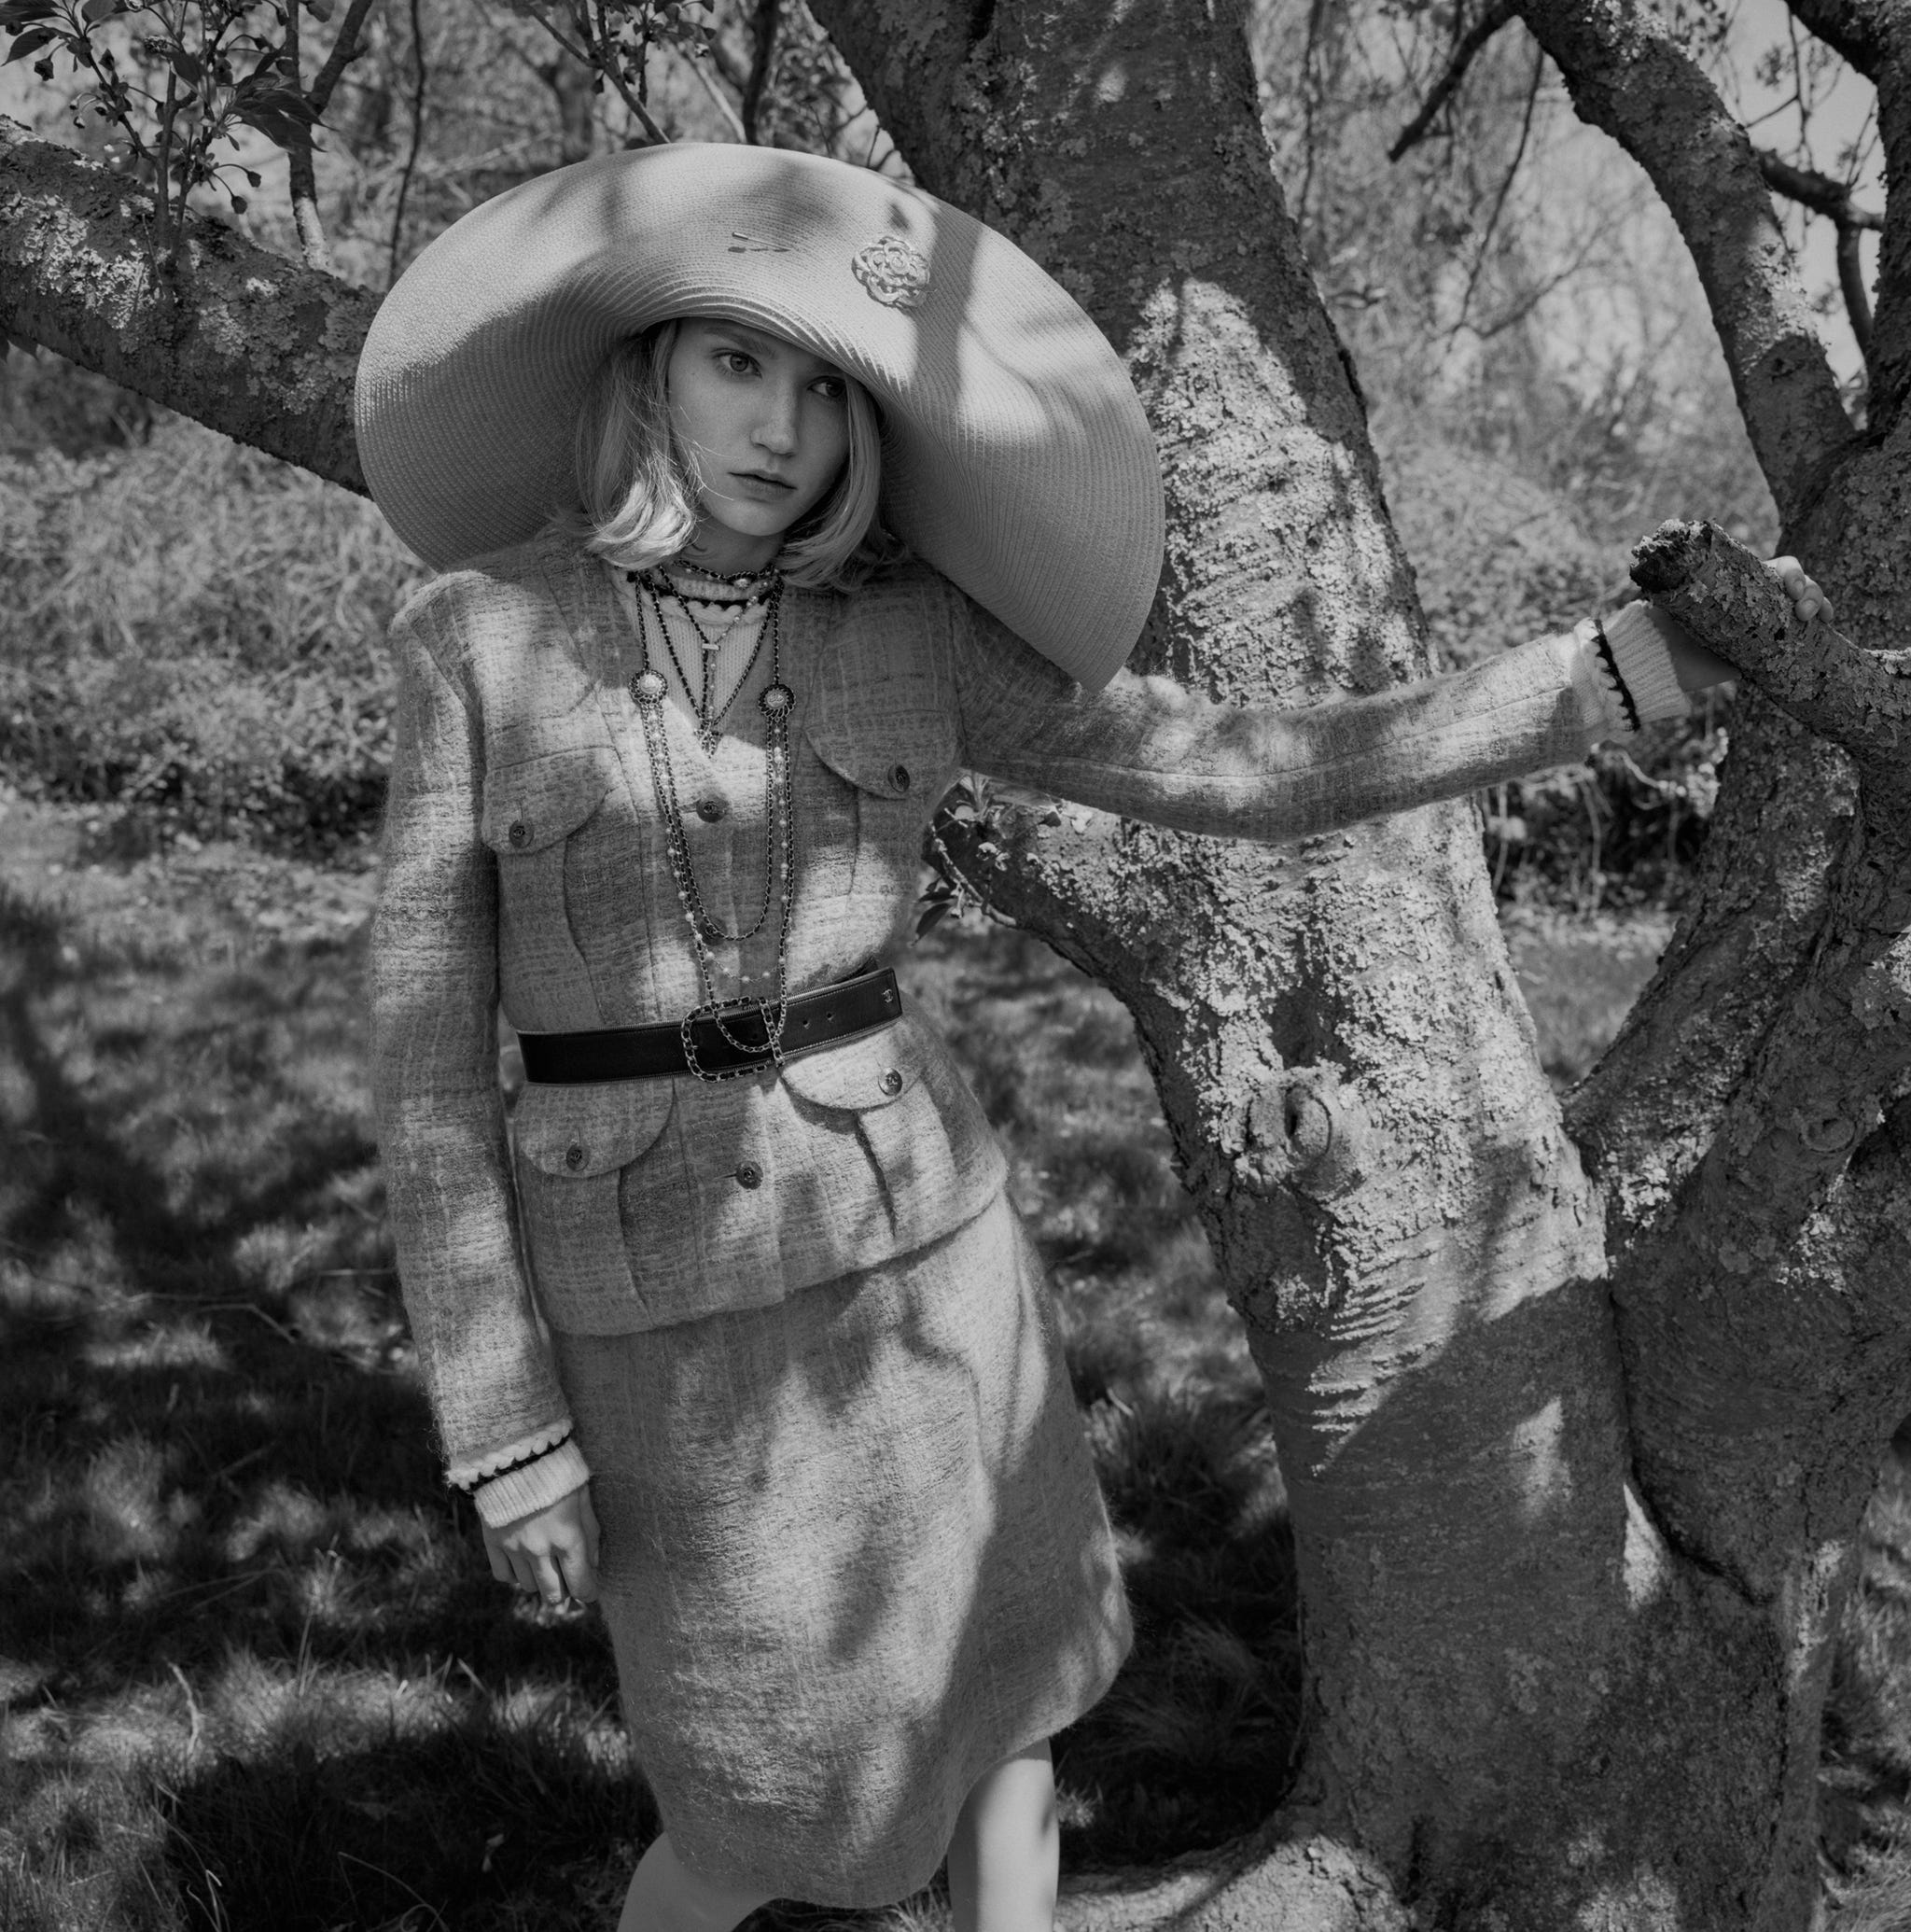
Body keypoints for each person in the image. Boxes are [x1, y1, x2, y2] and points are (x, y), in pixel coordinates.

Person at [354, 143, 1828, 1932]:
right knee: (753, 1804)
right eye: (739, 361)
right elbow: (425, 1080)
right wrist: (506, 1431)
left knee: (1006, 1706)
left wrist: (1604, 682)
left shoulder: (906, 635)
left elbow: (1247, 769)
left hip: (928, 1282)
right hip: (653, 1325)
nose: (782, 425)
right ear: (649, 365)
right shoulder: (477, 641)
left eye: (828, 388)